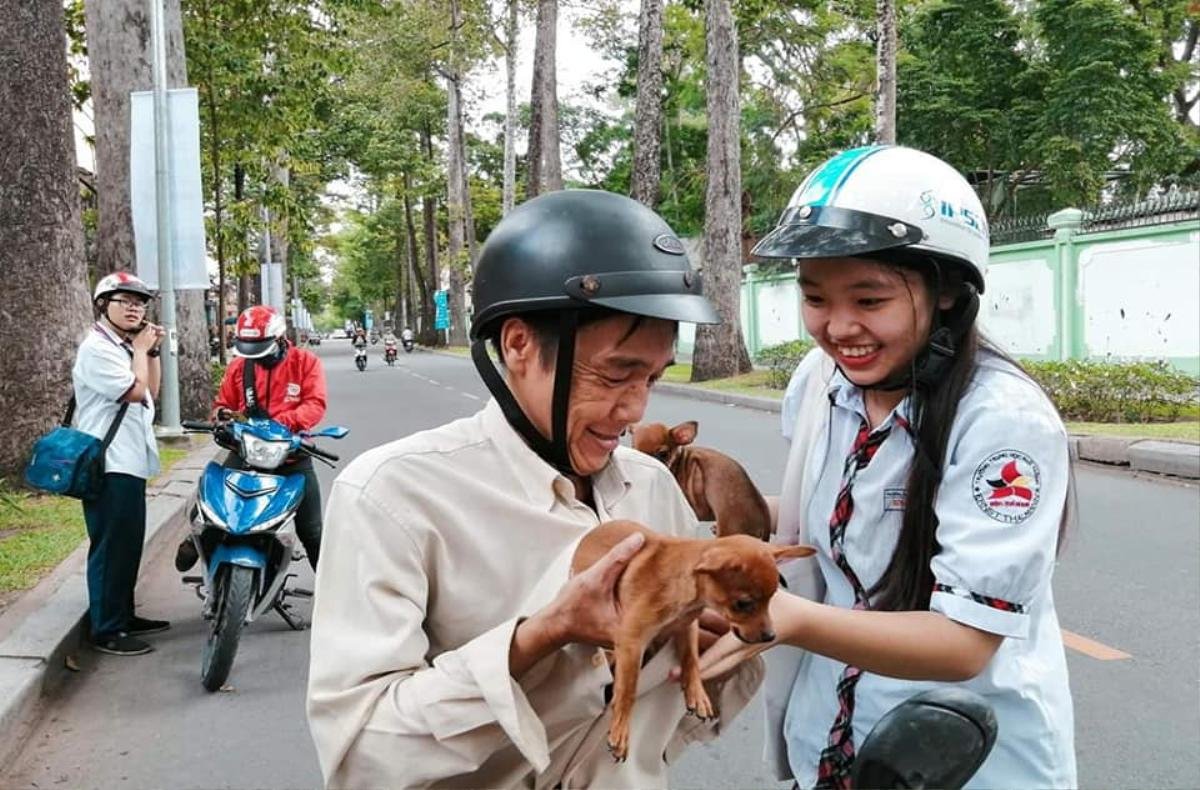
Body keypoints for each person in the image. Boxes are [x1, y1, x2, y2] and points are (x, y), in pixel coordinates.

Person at [306, 190, 764, 788]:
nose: (633, 410)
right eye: (616, 373)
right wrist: (542, 637)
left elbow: (689, 700)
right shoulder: (394, 497)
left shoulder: (651, 487)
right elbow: (361, 756)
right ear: (519, 345)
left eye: (652, 377)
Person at [696, 146, 1076, 789]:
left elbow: (964, 643)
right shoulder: (820, 384)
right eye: (814, 296)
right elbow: (833, 530)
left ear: (949, 293)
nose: (838, 327)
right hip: (832, 747)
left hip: (963, 764)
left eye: (869, 300)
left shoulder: (1002, 422)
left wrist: (783, 619)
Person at [174, 305, 328, 572]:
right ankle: (197, 545)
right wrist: (221, 416)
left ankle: (334, 600)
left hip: (292, 455)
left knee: (312, 530)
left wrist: (282, 424)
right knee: (208, 508)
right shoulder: (239, 368)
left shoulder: (305, 363)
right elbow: (223, 404)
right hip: (247, 453)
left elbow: (315, 404)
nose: (255, 356)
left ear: (279, 339)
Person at [73, 271, 170, 656]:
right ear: (103, 306)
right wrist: (142, 351)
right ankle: (106, 629)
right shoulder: (97, 349)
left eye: (140, 302)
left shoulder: (124, 347)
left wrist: (152, 352)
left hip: (129, 461)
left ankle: (123, 615)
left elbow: (154, 393)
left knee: (128, 544)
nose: (134, 308)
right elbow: (136, 391)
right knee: (111, 546)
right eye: (124, 301)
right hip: (109, 463)